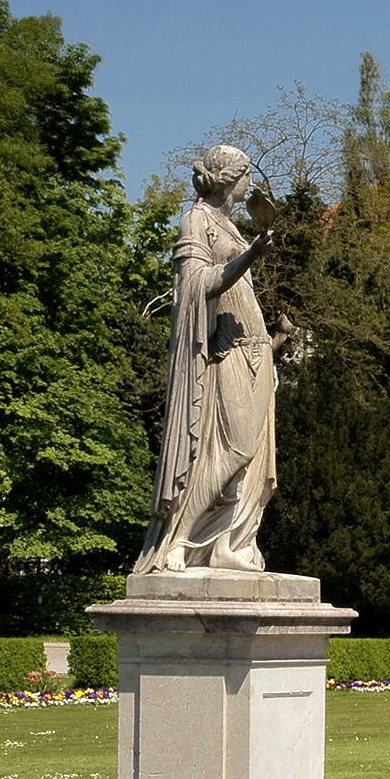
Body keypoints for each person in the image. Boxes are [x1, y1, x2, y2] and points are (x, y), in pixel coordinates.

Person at [134, 145, 277, 577]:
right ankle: (179, 539)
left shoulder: (228, 225)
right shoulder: (197, 221)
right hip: (226, 350)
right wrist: (252, 254)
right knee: (230, 449)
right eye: (246, 174)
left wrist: (277, 340)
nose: (250, 183)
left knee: (250, 456)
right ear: (230, 178)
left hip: (256, 350)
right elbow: (197, 286)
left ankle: (226, 543)